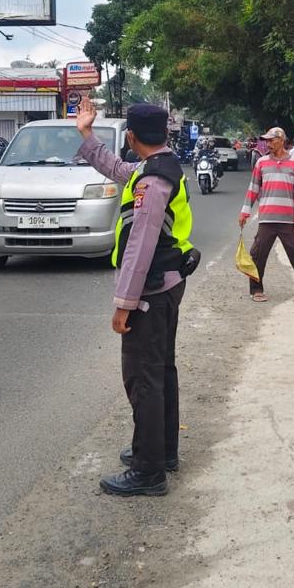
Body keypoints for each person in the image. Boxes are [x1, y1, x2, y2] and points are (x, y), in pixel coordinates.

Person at [75, 97, 196, 497]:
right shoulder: (159, 166)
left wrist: (123, 304)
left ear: (131, 136)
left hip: (151, 291)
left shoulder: (151, 182)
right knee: (160, 372)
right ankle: (162, 452)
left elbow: (140, 246)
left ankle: (149, 471)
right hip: (168, 283)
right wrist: (87, 134)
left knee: (143, 378)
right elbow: (116, 168)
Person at [239, 126, 294, 302]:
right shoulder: (261, 163)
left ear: (281, 140)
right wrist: (245, 212)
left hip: (288, 219)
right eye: (267, 141)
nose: (268, 144)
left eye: (271, 140)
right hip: (267, 218)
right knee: (258, 255)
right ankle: (256, 290)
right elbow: (253, 189)